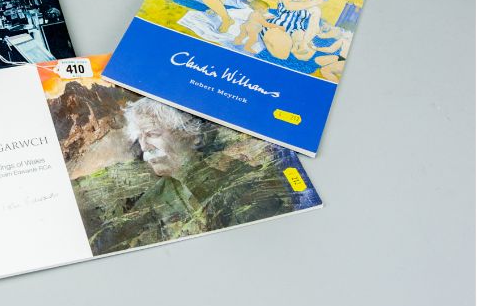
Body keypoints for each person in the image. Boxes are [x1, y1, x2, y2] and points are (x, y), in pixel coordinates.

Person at [71, 98, 310, 255]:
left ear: (192, 135)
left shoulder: (242, 177)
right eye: (139, 138)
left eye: (152, 134)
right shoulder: (153, 199)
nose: (144, 146)